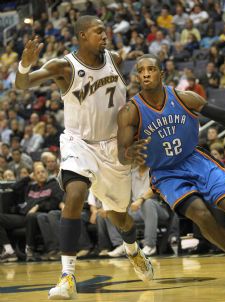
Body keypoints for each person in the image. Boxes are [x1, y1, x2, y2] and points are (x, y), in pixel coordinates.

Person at [117, 54, 225, 290]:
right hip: (166, 173)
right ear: (137, 76)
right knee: (200, 215)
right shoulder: (130, 111)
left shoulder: (185, 97)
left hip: (194, 159)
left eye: (151, 69)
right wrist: (128, 154)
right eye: (141, 70)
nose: (146, 73)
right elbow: (121, 154)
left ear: (161, 73)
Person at [15, 16, 153, 300]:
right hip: (79, 143)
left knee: (120, 217)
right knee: (75, 193)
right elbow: (22, 85)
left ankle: (132, 249)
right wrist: (25, 63)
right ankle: (67, 276)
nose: (105, 35)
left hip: (113, 148)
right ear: (81, 35)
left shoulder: (114, 59)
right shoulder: (63, 66)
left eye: (106, 30)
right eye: (98, 31)